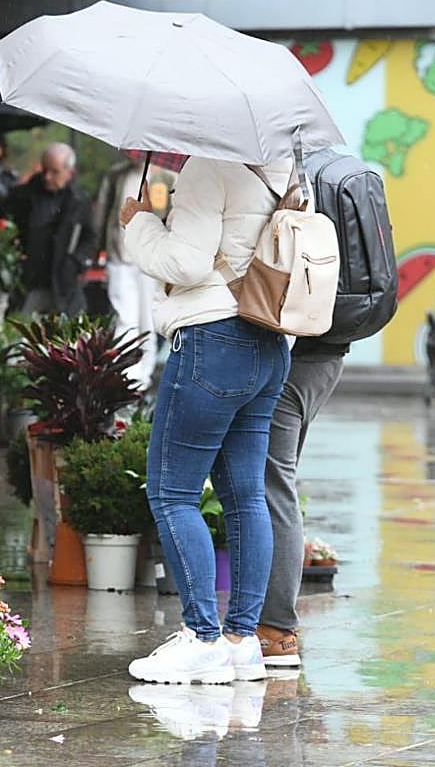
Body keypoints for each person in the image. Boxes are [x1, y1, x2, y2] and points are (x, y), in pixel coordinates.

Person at [121, 156, 294, 685]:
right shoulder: (285, 171)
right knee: (246, 497)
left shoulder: (207, 168)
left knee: (171, 493)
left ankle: (201, 637)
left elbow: (188, 263)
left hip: (212, 341)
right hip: (268, 342)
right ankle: (242, 641)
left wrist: (140, 224)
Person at [258, 339, 346, 668]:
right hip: (326, 355)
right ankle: (274, 628)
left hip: (294, 353)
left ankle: (275, 632)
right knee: (277, 482)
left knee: (272, 486)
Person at [95, 156, 177, 390]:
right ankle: (124, 374)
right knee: (124, 316)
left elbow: (172, 216)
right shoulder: (116, 175)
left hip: (150, 261)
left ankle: (143, 374)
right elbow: (104, 211)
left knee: (147, 318)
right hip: (119, 256)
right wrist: (98, 247)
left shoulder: (165, 177)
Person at [4, 143, 98, 317]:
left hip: (63, 283)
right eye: (45, 170)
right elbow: (7, 227)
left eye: (55, 172)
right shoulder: (22, 196)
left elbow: (90, 238)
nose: (47, 177)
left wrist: (75, 262)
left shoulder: (79, 200)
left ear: (69, 172)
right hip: (28, 280)